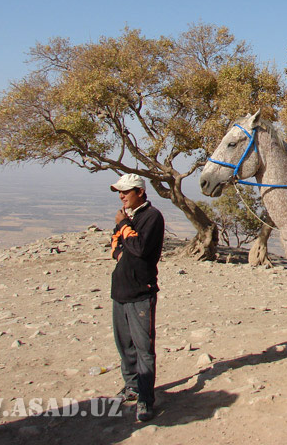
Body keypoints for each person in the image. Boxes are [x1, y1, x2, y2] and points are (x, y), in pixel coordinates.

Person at [109, 173, 164, 422]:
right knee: (125, 345)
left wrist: (123, 227)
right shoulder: (127, 218)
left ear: (140, 192)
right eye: (120, 192)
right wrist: (120, 253)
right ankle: (131, 387)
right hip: (120, 290)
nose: (121, 196)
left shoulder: (152, 217)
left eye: (126, 191)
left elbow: (140, 249)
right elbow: (115, 245)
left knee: (143, 348)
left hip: (141, 291)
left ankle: (145, 398)